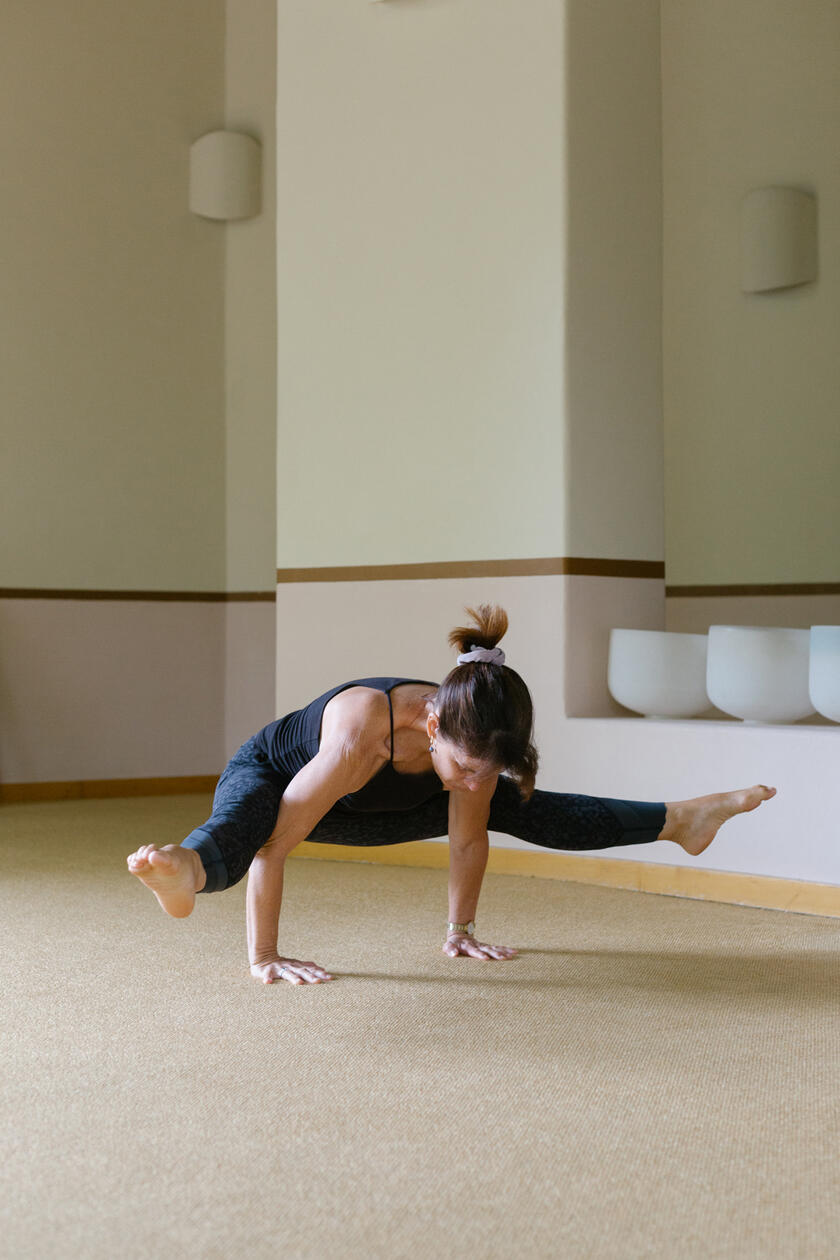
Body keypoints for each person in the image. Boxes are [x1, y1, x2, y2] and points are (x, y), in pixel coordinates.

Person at [127, 604, 776, 986]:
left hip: (374, 807)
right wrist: (265, 957)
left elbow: (468, 836)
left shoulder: (477, 740)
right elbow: (275, 849)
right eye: (466, 767)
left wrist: (460, 930)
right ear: (432, 723)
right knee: (254, 819)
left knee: (526, 807)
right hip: (272, 777)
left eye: (482, 771)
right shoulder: (357, 732)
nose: (472, 783)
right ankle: (185, 868)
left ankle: (681, 819)